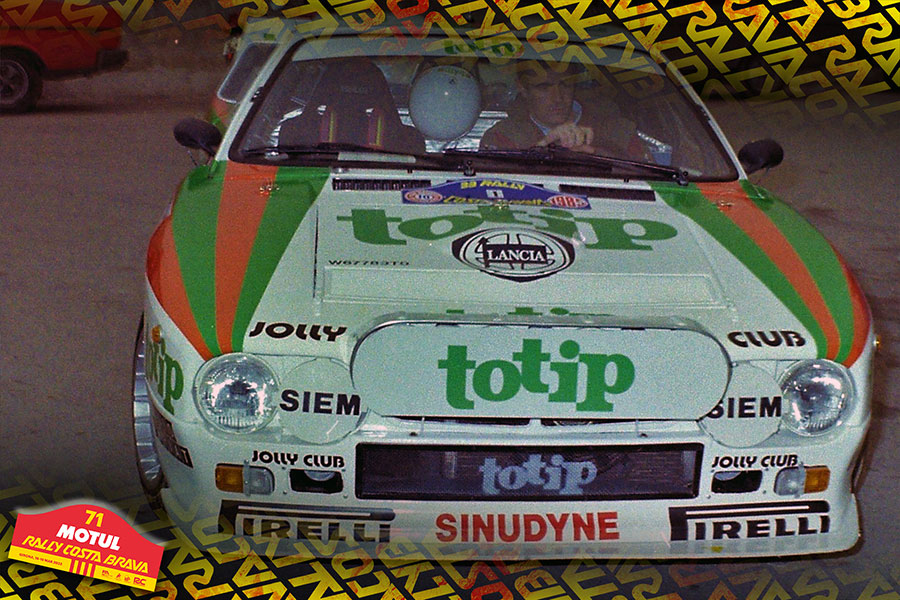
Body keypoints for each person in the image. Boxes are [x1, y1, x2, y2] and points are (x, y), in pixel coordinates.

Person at [480, 61, 642, 158]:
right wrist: (542, 148)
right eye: (544, 87)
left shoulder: (619, 131)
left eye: (565, 85)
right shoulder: (502, 136)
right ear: (522, 88)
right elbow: (493, 187)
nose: (557, 98)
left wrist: (598, 152)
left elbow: (649, 182)